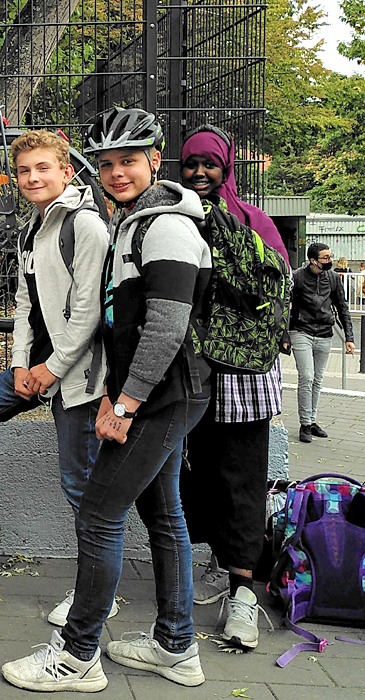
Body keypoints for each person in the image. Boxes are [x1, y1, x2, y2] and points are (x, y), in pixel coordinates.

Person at [1, 107, 211, 692]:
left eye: (130, 161)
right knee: (163, 515)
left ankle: (77, 656)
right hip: (163, 396)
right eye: (108, 164)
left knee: (98, 515)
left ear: (155, 162)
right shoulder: (133, 223)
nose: (118, 172)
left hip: (163, 396)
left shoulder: (167, 226)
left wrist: (124, 404)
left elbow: (166, 330)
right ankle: (177, 647)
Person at [0, 130, 112, 626]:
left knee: (81, 489)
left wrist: (48, 370)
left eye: (43, 168)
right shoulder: (32, 230)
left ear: (66, 171)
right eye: (25, 171)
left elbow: (88, 312)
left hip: (80, 378)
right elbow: (24, 304)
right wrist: (19, 364)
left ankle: (95, 596)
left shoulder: (86, 227)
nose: (33, 178)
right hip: (36, 368)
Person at [176, 125, 289, 649]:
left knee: (242, 479)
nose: (200, 173)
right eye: (191, 164)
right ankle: (226, 568)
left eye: (210, 164)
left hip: (244, 381)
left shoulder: (253, 224)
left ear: (228, 169)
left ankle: (244, 594)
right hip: (194, 376)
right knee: (196, 479)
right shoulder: (176, 216)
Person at [290, 242, 355, 443]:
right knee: (307, 377)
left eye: (331, 256)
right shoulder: (298, 276)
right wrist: (284, 336)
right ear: (313, 260)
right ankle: (305, 424)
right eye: (326, 257)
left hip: (325, 333)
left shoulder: (333, 278)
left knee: (318, 380)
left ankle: (312, 420)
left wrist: (349, 338)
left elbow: (342, 307)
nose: (330, 260)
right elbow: (285, 305)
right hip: (301, 331)